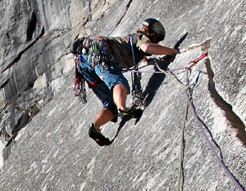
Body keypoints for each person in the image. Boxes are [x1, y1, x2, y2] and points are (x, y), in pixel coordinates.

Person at [72, 18, 179, 146]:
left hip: (83, 63)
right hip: (98, 54)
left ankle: (95, 128)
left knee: (110, 104)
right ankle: (123, 110)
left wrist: (149, 61)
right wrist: (172, 51)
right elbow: (146, 47)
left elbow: (142, 55)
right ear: (153, 34)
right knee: (119, 82)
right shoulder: (140, 38)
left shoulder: (131, 44)